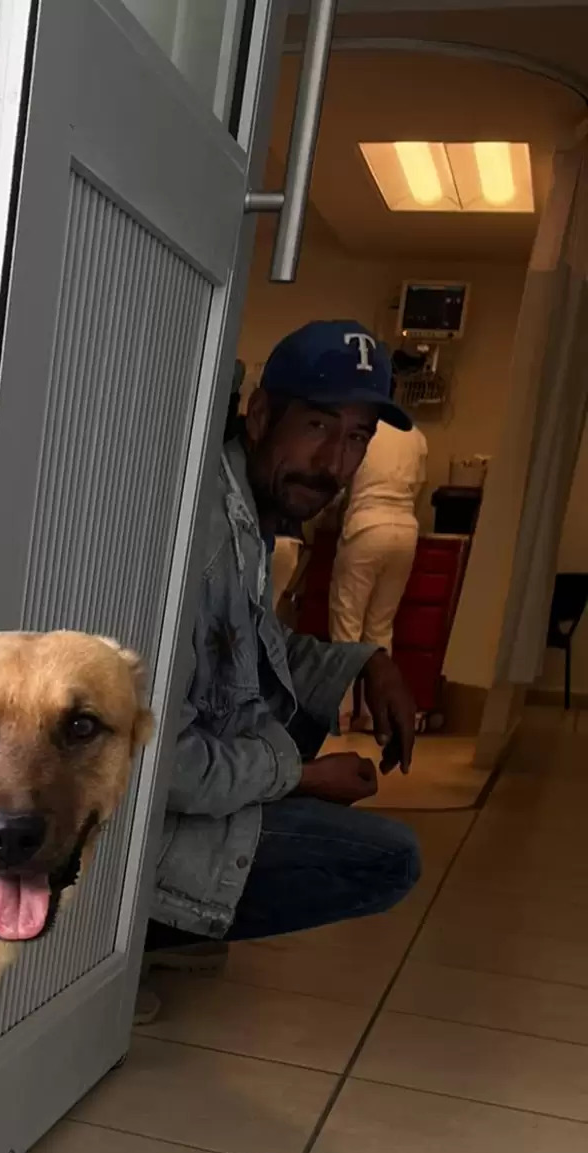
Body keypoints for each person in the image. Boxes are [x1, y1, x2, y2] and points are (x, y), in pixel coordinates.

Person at [145, 321, 422, 978]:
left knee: (298, 704)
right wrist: (300, 777)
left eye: (356, 438)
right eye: (319, 427)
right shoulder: (206, 534)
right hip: (131, 822)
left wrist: (368, 662)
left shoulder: (252, 516)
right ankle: (138, 934)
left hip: (182, 783)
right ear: (264, 414)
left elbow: (253, 652)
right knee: (388, 859)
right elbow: (164, 768)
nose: (333, 465)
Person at [329, 415, 428, 651]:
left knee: (347, 627)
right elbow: (419, 486)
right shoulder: (414, 433)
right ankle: (376, 687)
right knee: (380, 629)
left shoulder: (362, 427)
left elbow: (340, 480)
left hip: (365, 528)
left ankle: (344, 689)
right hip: (405, 530)